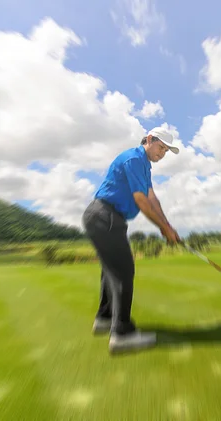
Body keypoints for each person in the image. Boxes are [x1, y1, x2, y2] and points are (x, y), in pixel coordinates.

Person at [82, 127, 182, 354]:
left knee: (111, 271)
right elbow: (141, 201)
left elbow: (151, 198)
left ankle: (105, 319)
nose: (162, 153)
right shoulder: (134, 158)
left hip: (103, 217)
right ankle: (122, 334)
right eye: (161, 147)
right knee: (123, 272)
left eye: (166, 150)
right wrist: (163, 228)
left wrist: (168, 226)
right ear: (149, 140)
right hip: (104, 216)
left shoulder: (144, 165)